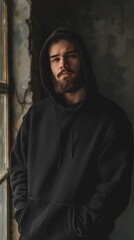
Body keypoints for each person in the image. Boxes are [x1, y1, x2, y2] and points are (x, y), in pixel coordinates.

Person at [10, 28, 133, 240]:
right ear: (48, 66)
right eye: (55, 59)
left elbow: (113, 191)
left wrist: (79, 228)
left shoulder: (112, 120)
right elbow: (18, 168)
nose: (63, 65)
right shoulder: (35, 116)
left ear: (83, 59)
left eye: (70, 56)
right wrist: (25, 215)